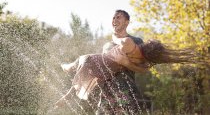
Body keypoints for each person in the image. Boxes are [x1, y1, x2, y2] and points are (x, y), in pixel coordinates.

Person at [55, 10, 197, 114]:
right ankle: (70, 90)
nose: (114, 20)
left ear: (127, 22)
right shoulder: (107, 45)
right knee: (85, 64)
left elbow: (144, 68)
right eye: (113, 18)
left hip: (125, 93)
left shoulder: (136, 41)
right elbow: (99, 68)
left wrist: (126, 63)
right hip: (105, 94)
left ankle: (69, 79)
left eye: (118, 17)